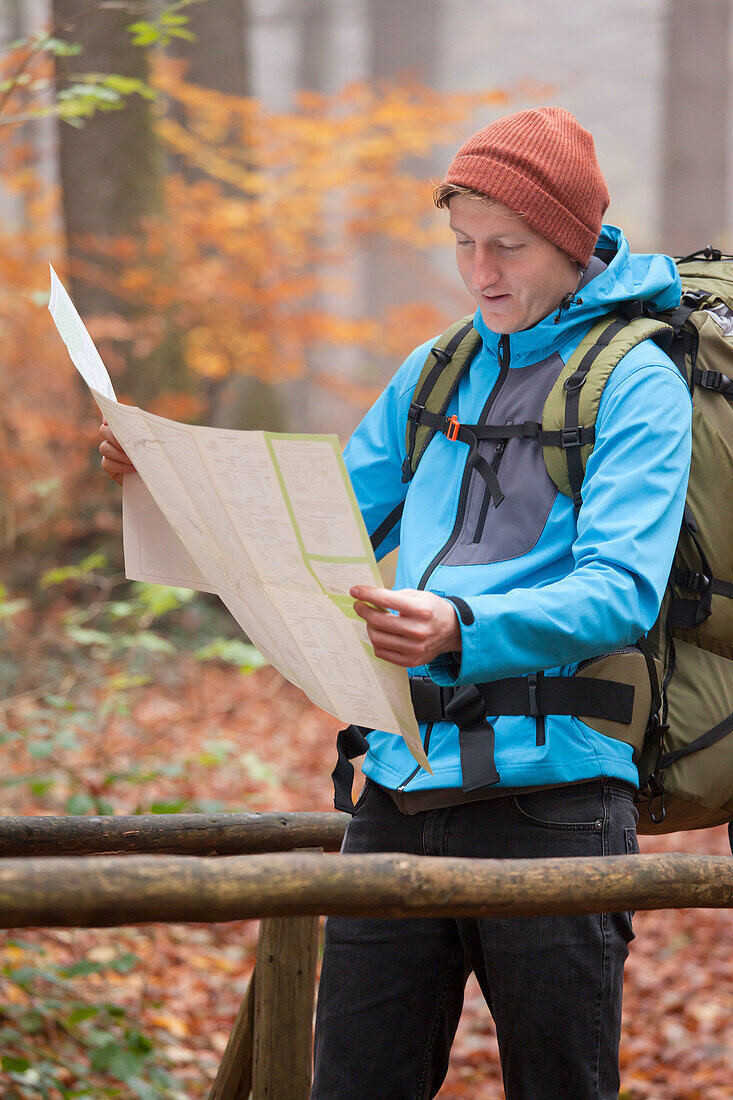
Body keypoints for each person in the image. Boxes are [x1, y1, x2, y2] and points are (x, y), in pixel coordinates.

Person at [101, 108, 693, 1099]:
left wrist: (462, 627)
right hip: (399, 784)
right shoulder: (436, 369)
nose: (481, 272)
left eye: (506, 245)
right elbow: (313, 519)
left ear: (576, 241)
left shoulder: (636, 380)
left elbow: (622, 589)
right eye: (462, 244)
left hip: (553, 798)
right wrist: (166, 481)